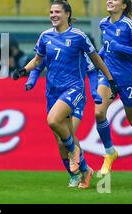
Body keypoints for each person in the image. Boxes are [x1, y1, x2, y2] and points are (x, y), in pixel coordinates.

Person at [13, 0, 117, 189]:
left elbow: (96, 61)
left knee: (53, 121)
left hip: (73, 89)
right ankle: (82, 172)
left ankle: (75, 153)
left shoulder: (78, 36)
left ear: (67, 14)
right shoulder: (45, 36)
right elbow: (37, 61)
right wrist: (23, 71)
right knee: (61, 140)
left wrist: (110, 80)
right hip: (52, 92)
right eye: (51, 12)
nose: (53, 15)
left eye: (57, 12)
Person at [94, 0, 132, 178]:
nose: (109, 1)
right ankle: (110, 153)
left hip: (128, 79)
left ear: (123, 5)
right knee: (98, 112)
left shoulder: (129, 25)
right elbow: (106, 46)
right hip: (108, 77)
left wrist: (120, 48)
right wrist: (98, 56)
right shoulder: (103, 23)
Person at [25, 54, 102, 188]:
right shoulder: (52, 48)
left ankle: (84, 171)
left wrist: (94, 91)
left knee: (69, 134)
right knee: (61, 142)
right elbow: (37, 66)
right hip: (53, 97)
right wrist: (31, 81)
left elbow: (92, 72)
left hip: (75, 97)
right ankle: (78, 173)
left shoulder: (81, 52)